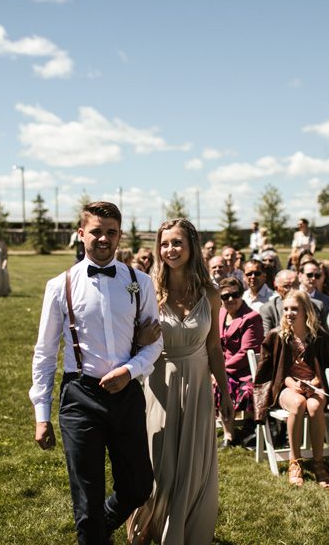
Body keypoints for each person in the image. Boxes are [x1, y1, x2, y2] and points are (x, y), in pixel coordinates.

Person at [30, 201, 163, 545]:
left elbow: (154, 343)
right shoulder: (60, 285)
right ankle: (92, 531)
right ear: (81, 234)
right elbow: (45, 353)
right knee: (86, 498)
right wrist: (41, 415)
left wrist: (130, 371)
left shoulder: (140, 282)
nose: (104, 239)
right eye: (96, 231)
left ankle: (97, 529)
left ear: (120, 235)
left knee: (138, 486)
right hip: (80, 396)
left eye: (111, 232)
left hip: (126, 393)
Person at [127, 218, 232, 544]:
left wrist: (225, 393)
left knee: (193, 465)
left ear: (191, 247)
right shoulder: (147, 289)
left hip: (199, 384)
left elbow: (214, 346)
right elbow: (128, 343)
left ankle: (187, 531)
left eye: (177, 243)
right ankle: (149, 529)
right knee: (159, 464)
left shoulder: (210, 293)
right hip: (159, 383)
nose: (170, 249)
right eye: (165, 243)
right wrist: (140, 337)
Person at [253, 290, 329, 487]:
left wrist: (314, 384)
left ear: (305, 311)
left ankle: (318, 464)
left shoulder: (320, 337)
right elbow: (274, 373)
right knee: (299, 403)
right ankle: (295, 461)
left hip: (315, 385)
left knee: (316, 406)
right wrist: (294, 385)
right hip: (287, 387)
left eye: (294, 309)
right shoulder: (277, 336)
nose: (289, 313)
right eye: (286, 309)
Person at [215, 276, 263, 447]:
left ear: (241, 295)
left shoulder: (251, 318)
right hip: (224, 368)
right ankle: (229, 435)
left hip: (246, 371)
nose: (230, 299)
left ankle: (250, 428)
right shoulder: (220, 313)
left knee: (247, 390)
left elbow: (246, 352)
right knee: (220, 387)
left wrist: (219, 370)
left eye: (235, 295)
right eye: (225, 296)